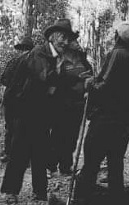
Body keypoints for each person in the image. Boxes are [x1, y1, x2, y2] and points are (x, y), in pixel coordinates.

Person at [68, 22, 129, 205]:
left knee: (91, 165)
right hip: (124, 124)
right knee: (115, 167)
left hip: (105, 120)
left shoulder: (117, 54)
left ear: (118, 37)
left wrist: (89, 83)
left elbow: (104, 87)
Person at [0, 18, 73, 205]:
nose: (65, 42)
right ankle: (10, 191)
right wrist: (59, 76)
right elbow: (44, 77)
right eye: (62, 37)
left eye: (68, 39)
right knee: (20, 151)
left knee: (40, 150)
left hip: (41, 111)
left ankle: (39, 191)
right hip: (25, 109)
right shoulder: (39, 53)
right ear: (52, 37)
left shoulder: (57, 56)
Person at [50, 33, 93, 175]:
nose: (76, 43)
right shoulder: (59, 60)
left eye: (76, 41)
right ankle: (51, 165)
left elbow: (91, 76)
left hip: (79, 104)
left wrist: (88, 84)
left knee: (72, 135)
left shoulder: (82, 60)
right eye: (73, 41)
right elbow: (56, 81)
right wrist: (76, 79)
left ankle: (66, 165)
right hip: (62, 104)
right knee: (58, 134)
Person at [0, 35, 34, 163]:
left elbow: (4, 80)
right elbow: (4, 79)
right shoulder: (16, 62)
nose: (23, 51)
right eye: (23, 49)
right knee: (15, 127)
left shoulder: (20, 62)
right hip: (16, 99)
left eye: (25, 49)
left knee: (15, 127)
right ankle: (13, 154)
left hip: (19, 100)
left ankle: (13, 154)